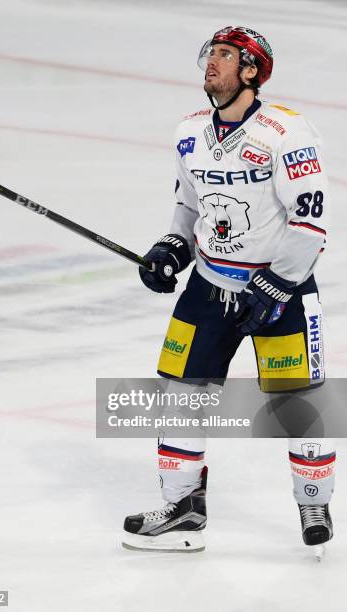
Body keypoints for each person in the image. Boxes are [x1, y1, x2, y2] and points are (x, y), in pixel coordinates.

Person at [122, 27, 335, 556]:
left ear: (251, 71)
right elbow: (188, 205)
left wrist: (276, 283)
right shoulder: (189, 131)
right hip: (209, 286)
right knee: (181, 396)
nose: (210, 63)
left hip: (280, 291)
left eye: (224, 55)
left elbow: (311, 222)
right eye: (209, 54)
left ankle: (313, 501)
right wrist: (171, 247)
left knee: (298, 402)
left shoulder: (286, 130)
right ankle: (183, 508)